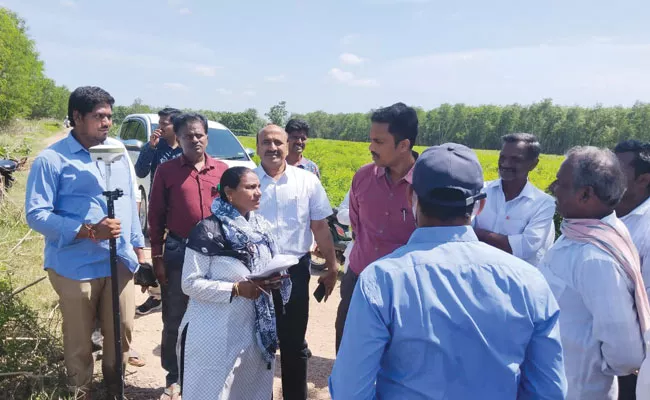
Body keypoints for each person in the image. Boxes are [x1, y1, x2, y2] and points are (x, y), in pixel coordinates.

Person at [329, 143, 567, 399]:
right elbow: (549, 390)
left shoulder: (381, 280)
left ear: (411, 197)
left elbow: (349, 390)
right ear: (480, 205)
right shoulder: (529, 282)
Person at [25, 86, 147, 398]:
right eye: (99, 116)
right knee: (79, 340)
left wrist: (138, 248)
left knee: (122, 331)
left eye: (109, 116)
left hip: (119, 260)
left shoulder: (117, 152)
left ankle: (114, 387)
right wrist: (87, 230)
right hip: (75, 265)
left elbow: (130, 204)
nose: (106, 122)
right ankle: (80, 391)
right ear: (77, 117)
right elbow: (37, 214)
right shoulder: (52, 160)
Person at [539, 146, 649, 400]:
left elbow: (625, 355)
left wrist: (585, 366)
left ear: (586, 194)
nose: (554, 187)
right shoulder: (582, 233)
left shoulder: (595, 258)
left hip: (576, 390)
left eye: (561, 183)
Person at [178, 166, 291, 399]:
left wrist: (275, 281)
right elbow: (189, 283)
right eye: (250, 187)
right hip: (214, 331)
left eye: (258, 186)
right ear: (229, 193)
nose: (258, 192)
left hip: (254, 332)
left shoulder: (262, 229)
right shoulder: (207, 231)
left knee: (251, 390)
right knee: (213, 391)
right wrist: (236, 289)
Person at [148, 112, 228, 399]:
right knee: (176, 316)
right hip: (179, 251)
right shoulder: (167, 171)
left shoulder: (222, 170)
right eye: (188, 135)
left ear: (207, 136)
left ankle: (209, 373)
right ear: (178, 138)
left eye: (199, 134)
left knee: (215, 314)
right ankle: (175, 375)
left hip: (216, 255)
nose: (194, 139)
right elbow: (155, 217)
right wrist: (157, 258)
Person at [255, 124, 337, 400]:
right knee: (254, 344)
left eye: (278, 142)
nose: (272, 147)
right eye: (266, 142)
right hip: (256, 274)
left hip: (295, 272)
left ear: (287, 146)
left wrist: (332, 265)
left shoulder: (307, 182)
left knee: (293, 344)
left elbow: (321, 227)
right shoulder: (248, 182)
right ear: (257, 147)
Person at [335, 102, 418, 353]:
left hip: (407, 294)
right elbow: (358, 228)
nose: (371, 148)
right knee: (348, 355)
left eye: (379, 142)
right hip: (359, 282)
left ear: (403, 145)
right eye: (371, 140)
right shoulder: (362, 177)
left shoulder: (428, 185)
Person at [472, 133, 556, 267]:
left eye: (515, 160)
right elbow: (464, 228)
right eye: (502, 157)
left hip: (517, 279)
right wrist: (509, 242)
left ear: (533, 164)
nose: (505, 164)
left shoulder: (543, 203)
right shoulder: (481, 190)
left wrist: (479, 234)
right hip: (480, 271)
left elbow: (526, 247)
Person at [133, 107, 181, 315]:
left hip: (181, 210)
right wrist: (149, 148)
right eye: (159, 123)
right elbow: (140, 171)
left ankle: (178, 294)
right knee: (157, 252)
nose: (160, 128)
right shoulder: (156, 146)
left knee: (180, 253)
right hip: (159, 208)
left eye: (164, 124)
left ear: (176, 125)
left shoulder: (187, 147)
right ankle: (156, 296)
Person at [614, 139, 650, 400]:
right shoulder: (598, 213)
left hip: (633, 363)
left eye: (617, 168)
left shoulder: (646, 228)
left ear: (643, 179)